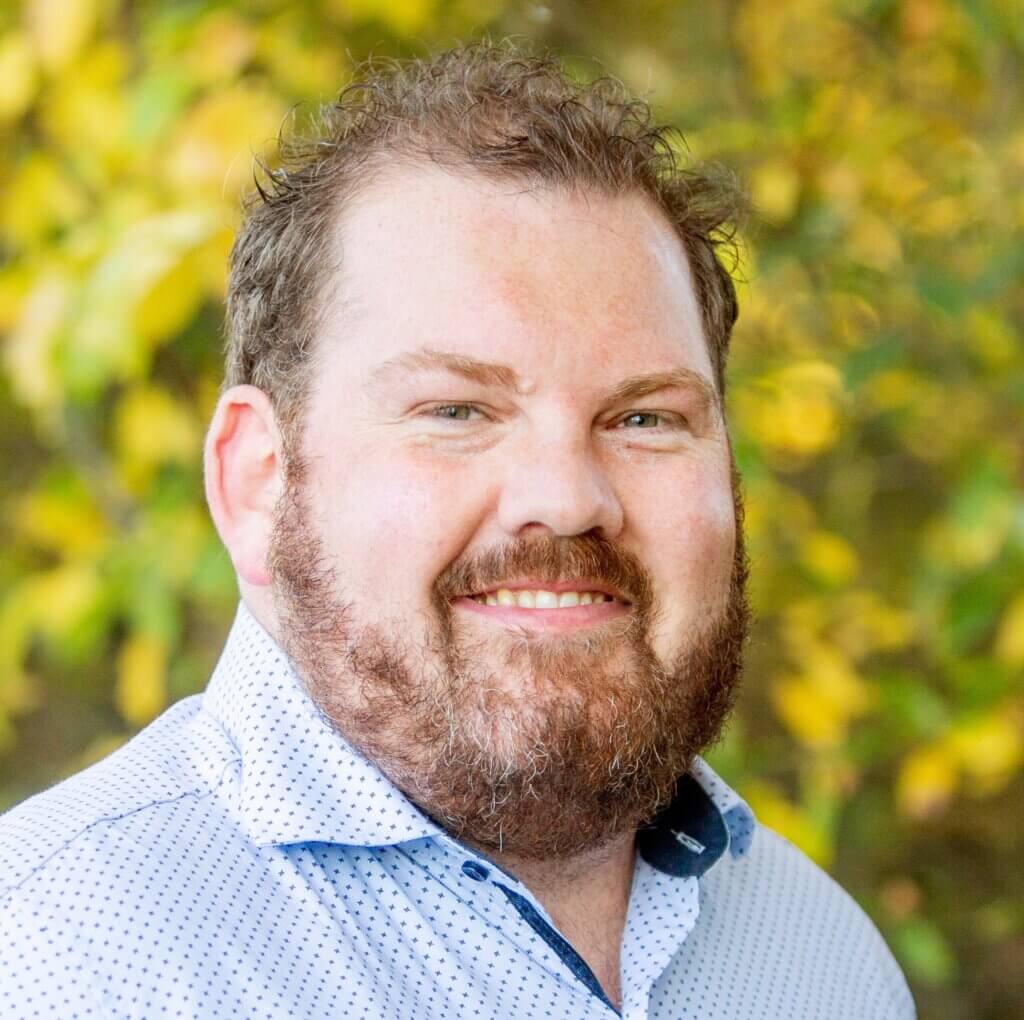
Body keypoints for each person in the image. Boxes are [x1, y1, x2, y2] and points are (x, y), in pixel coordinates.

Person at [0, 40, 915, 1019]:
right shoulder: (55, 959)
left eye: (644, 419)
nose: (567, 499)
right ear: (257, 480)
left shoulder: (824, 960)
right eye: (456, 410)